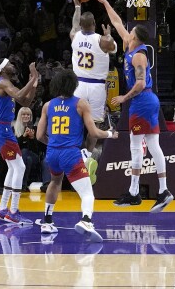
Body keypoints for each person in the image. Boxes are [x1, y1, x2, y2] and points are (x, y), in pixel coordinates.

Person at [94, 0, 174, 212]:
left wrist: (124, 98)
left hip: (142, 99)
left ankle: (147, 192)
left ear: (136, 37)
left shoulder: (138, 55)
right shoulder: (129, 45)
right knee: (148, 146)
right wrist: (105, 2)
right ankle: (143, 192)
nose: (126, 32)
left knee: (138, 146)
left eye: (130, 32)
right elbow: (117, 21)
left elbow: (138, 84)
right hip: (144, 101)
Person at [36, 69, 118, 242]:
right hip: (70, 154)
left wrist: (53, 145)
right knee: (88, 193)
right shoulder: (80, 104)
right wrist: (110, 134)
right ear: (74, 85)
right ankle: (86, 220)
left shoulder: (47, 105)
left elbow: (39, 136)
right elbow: (94, 133)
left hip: (52, 153)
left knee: (55, 182)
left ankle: (47, 222)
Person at [0, 58, 39, 224]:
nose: (13, 65)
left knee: (14, 167)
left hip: (2, 129)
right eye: (9, 64)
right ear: (3, 69)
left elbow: (24, 102)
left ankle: (3, 208)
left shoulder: (7, 84)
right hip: (1, 129)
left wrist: (34, 85)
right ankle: (13, 211)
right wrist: (32, 78)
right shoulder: (3, 82)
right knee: (20, 166)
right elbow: (19, 94)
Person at [70, 0, 116, 157]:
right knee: (95, 125)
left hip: (78, 85)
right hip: (97, 86)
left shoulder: (74, 36)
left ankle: (74, 151)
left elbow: (74, 24)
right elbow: (112, 47)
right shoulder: (102, 40)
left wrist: (77, 7)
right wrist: (108, 36)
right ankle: (87, 155)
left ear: (81, 25)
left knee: (75, 121)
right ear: (95, 24)